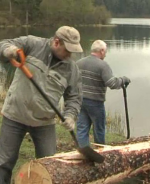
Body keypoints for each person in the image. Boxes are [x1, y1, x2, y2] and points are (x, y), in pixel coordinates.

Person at [0, 26, 83, 183]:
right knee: (4, 161)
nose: (70, 55)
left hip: (44, 122)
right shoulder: (33, 44)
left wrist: (71, 115)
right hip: (15, 115)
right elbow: (3, 44)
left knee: (50, 164)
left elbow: (74, 97)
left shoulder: (72, 69)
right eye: (68, 50)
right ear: (57, 42)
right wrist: (8, 50)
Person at [76, 40, 131, 149]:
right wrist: (123, 79)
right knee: (99, 129)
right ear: (101, 51)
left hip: (80, 100)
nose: (105, 54)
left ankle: (83, 153)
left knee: (82, 129)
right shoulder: (102, 65)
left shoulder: (79, 62)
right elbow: (112, 83)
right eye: (105, 51)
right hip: (95, 102)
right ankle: (101, 152)